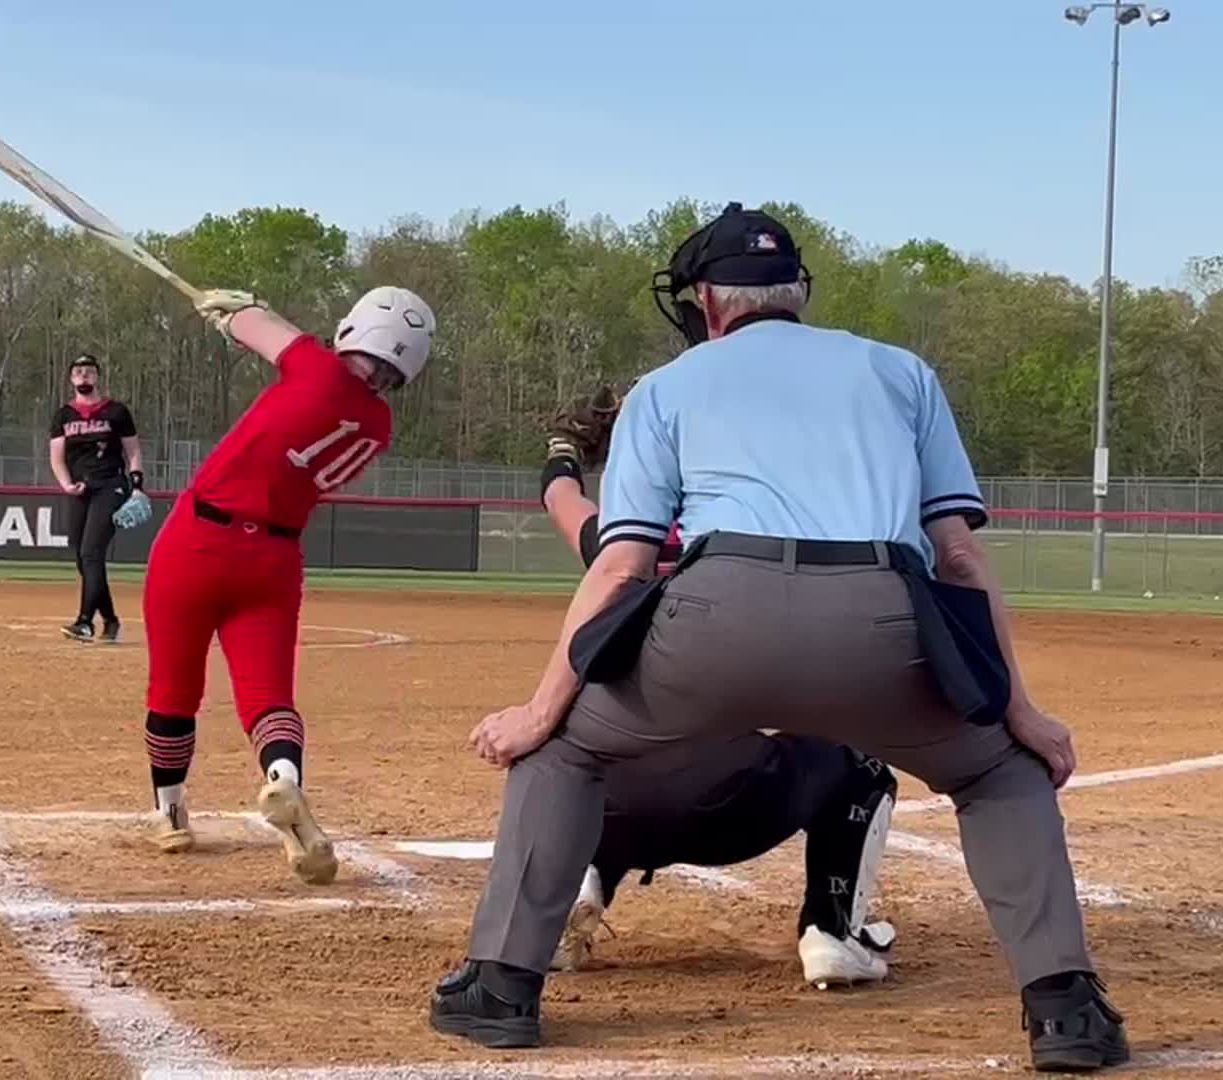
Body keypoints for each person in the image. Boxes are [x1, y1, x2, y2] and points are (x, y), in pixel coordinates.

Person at [429, 204, 1128, 1073]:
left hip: (717, 620)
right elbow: (960, 557)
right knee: (998, 771)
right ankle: (1067, 1012)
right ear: (797, 292)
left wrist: (540, 712)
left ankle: (500, 988)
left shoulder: (669, 386)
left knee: (563, 752)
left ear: (709, 304)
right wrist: (1018, 709)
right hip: (883, 621)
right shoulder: (902, 372)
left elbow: (620, 569)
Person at [537, 391, 900, 985]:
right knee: (863, 759)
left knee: (594, 750)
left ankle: (579, 885)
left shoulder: (619, 543)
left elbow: (560, 495)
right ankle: (832, 933)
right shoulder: (773, 534)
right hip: (736, 811)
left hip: (611, 808)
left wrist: (564, 452)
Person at [138, 285, 435, 886]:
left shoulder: (317, 369)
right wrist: (240, 315)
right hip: (274, 557)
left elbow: (258, 327)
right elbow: (270, 335)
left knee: (174, 688)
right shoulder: (378, 423)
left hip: (198, 540)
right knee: (268, 697)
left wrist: (231, 309)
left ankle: (170, 813)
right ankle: (284, 779)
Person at [48, 354, 148, 643]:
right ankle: (111, 620)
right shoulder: (64, 415)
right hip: (80, 489)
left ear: (97, 377)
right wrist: (66, 484)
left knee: (92, 553)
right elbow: (57, 456)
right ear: (71, 378)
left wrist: (137, 484)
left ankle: (85, 622)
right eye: (78, 371)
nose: (84, 376)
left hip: (110, 486)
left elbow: (133, 451)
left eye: (89, 371)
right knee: (83, 558)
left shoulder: (115, 411)